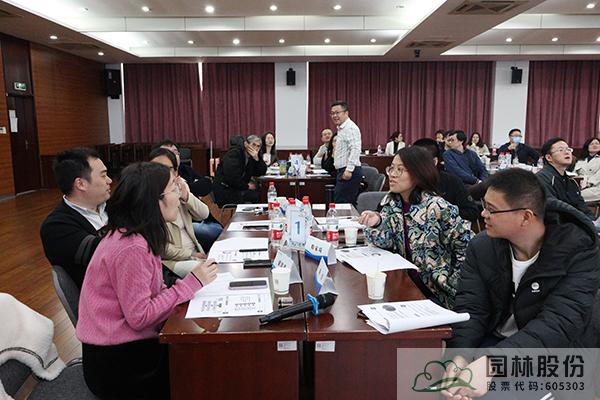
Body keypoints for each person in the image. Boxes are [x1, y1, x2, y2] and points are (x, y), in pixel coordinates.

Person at [443, 169, 600, 400]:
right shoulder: (483, 246)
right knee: (444, 386)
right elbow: (472, 308)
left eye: (492, 209)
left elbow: (558, 323)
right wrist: (460, 357)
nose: (483, 214)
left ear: (526, 217)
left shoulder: (579, 251)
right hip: (495, 342)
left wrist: (490, 364)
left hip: (554, 352)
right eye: (484, 205)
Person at [76, 162, 218, 400]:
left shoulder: (138, 234)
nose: (179, 195)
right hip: (119, 364)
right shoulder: (131, 247)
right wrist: (192, 283)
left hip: (124, 349)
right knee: (204, 367)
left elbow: (154, 293)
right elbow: (140, 316)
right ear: (154, 201)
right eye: (174, 189)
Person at [358, 147, 473, 309]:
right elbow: (386, 242)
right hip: (406, 283)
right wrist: (377, 223)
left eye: (400, 169)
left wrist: (452, 282)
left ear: (419, 173)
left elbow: (468, 247)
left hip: (437, 292)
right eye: (391, 168)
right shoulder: (393, 202)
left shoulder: (437, 207)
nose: (392, 174)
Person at [40, 148, 111, 289]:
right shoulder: (56, 227)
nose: (109, 180)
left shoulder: (113, 207)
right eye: (103, 175)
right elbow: (108, 254)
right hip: (104, 297)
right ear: (81, 184)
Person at [149, 148, 210, 277]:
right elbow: (160, 247)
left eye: (166, 168)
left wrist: (186, 196)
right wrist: (190, 255)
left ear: (176, 171)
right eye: (156, 168)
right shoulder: (151, 196)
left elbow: (204, 214)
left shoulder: (179, 187)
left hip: (194, 251)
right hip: (173, 260)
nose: (160, 173)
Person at [154, 139, 223, 251]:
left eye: (175, 152)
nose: (172, 156)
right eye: (166, 153)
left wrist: (187, 193)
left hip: (194, 227)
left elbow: (206, 183)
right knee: (214, 231)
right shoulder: (154, 187)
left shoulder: (183, 176)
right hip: (183, 243)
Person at [413, 138, 480, 223]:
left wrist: (444, 212)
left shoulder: (452, 182)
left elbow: (472, 212)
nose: (413, 167)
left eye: (418, 162)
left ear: (434, 161)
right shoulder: (408, 182)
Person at [537, 137, 595, 220]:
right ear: (549, 157)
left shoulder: (571, 181)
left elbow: (581, 206)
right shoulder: (542, 178)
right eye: (561, 150)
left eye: (568, 149)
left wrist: (592, 220)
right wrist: (584, 221)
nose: (567, 152)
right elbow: (553, 207)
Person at [213, 135, 267, 207]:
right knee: (256, 196)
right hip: (225, 189)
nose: (256, 148)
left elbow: (261, 172)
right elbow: (232, 177)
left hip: (237, 187)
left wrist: (257, 159)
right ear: (246, 144)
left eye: (258, 146)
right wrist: (246, 186)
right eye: (253, 145)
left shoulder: (252, 157)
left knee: (261, 193)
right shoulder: (235, 153)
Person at [331, 100, 362, 204]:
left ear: (346, 113)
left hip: (349, 172)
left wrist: (349, 170)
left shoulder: (350, 128)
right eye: (332, 113)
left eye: (337, 113)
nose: (334, 116)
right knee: (341, 204)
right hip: (343, 170)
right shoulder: (342, 128)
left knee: (343, 205)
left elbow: (355, 149)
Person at [574, 137, 600, 202]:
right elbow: (574, 173)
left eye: (597, 143)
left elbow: (598, 176)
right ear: (587, 147)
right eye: (591, 144)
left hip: (596, 187)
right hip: (579, 186)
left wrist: (588, 183)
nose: (594, 145)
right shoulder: (581, 160)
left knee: (575, 196)